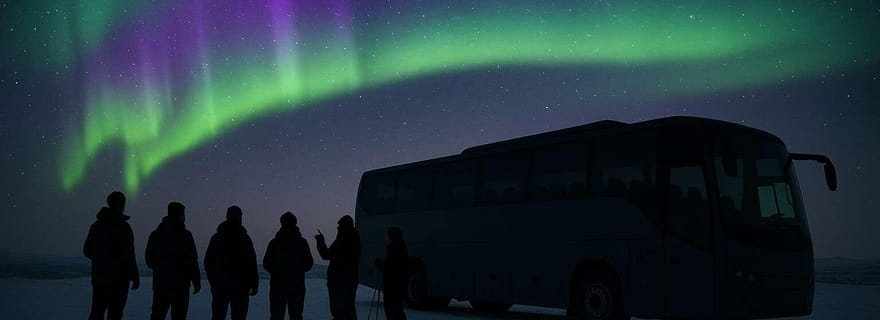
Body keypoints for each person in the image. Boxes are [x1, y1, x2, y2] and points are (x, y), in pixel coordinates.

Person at [83, 191, 140, 320]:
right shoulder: (124, 228)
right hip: (119, 280)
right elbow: (129, 255)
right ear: (122, 205)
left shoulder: (97, 226)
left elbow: (87, 250)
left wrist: (101, 258)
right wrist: (134, 276)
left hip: (99, 277)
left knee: (97, 312)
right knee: (115, 313)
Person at [145, 202, 201, 320]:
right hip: (181, 286)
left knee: (157, 315)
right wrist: (196, 281)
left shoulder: (156, 234)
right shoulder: (186, 236)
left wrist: (161, 268)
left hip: (161, 284)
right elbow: (192, 261)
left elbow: (149, 260)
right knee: (179, 316)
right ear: (181, 216)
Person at [205, 206, 259, 320]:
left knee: (218, 316)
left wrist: (213, 281)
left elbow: (208, 262)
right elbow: (252, 263)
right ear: (240, 217)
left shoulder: (217, 238)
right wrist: (254, 284)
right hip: (240, 287)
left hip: (221, 286)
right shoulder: (245, 239)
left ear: (227, 217)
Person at [263, 212, 314, 320]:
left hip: (278, 285)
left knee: (276, 316)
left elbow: (266, 263)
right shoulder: (302, 243)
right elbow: (309, 263)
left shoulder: (274, 243)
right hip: (297, 285)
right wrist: (297, 270)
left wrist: (277, 272)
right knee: (296, 316)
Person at [315, 215, 361, 320]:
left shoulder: (342, 240)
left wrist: (320, 241)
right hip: (351, 280)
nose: (337, 229)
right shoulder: (355, 239)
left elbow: (326, 255)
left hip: (338, 282)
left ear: (343, 227)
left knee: (338, 311)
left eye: (339, 226)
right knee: (349, 309)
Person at [374, 227, 409, 320]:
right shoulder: (399, 249)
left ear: (391, 237)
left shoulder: (394, 251)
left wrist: (380, 265)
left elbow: (391, 269)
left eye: (387, 236)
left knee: (393, 313)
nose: (385, 238)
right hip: (396, 289)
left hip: (393, 289)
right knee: (396, 312)